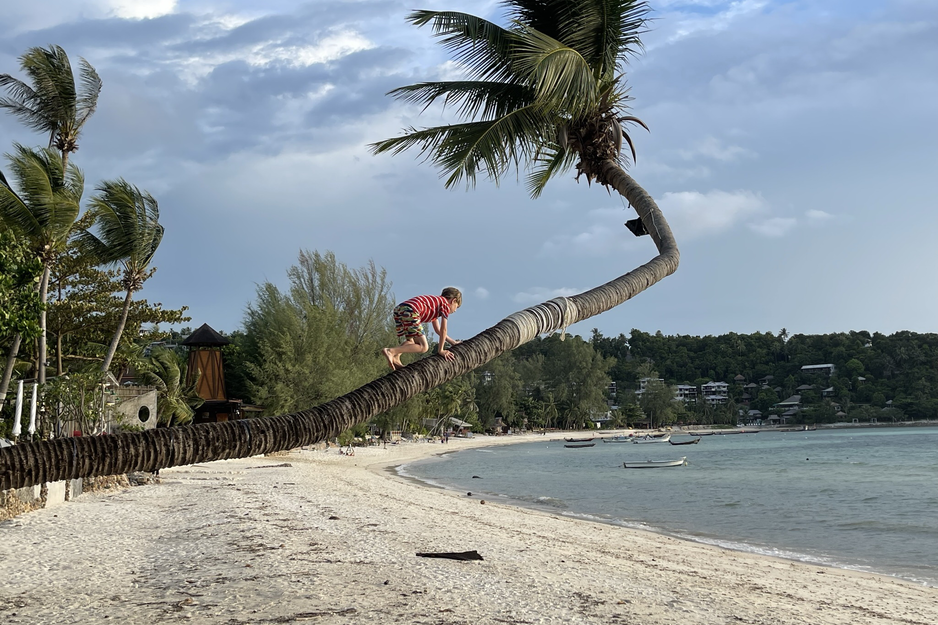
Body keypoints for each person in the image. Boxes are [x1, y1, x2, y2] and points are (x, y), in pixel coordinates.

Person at [383, 287, 462, 370]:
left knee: (411, 342)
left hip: (401, 310)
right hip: (412, 311)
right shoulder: (445, 304)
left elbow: (438, 330)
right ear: (453, 301)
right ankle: (391, 351)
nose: (455, 310)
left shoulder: (435, 305)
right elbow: (443, 329)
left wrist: (453, 342)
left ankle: (396, 356)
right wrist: (441, 350)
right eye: (456, 307)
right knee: (423, 347)